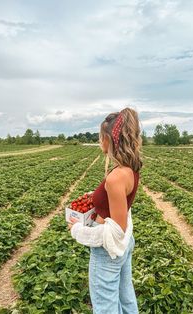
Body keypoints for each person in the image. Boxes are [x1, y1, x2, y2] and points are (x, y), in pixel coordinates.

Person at [68, 107, 143, 313]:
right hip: (126, 244)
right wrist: (98, 196)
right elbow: (122, 205)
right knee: (126, 299)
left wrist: (78, 231)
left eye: (101, 136)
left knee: (105, 307)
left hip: (109, 253)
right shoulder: (130, 169)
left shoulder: (115, 177)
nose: (99, 141)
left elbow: (115, 233)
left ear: (110, 139)